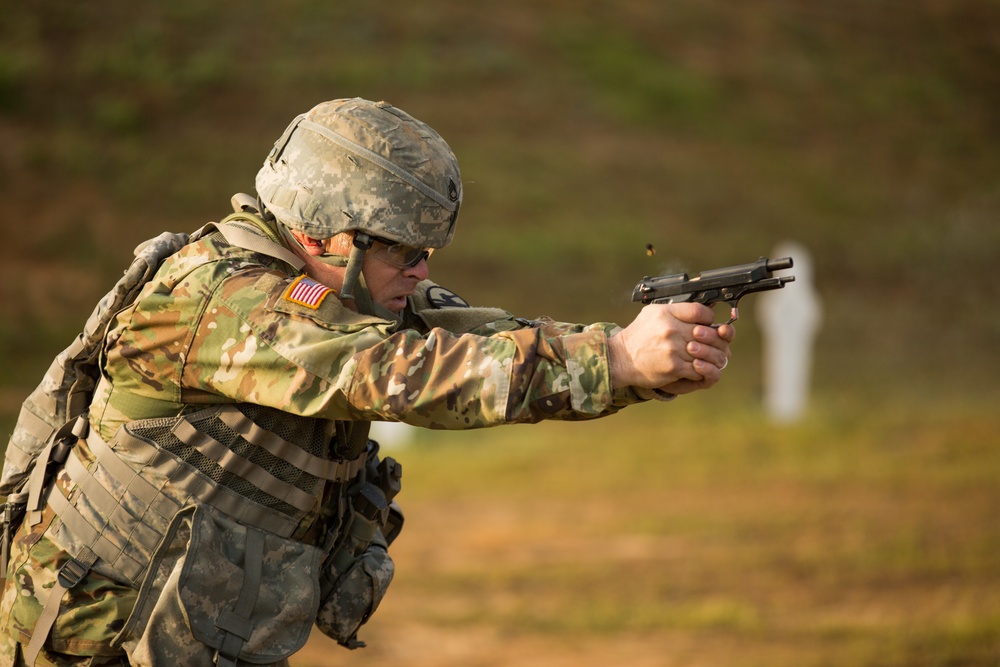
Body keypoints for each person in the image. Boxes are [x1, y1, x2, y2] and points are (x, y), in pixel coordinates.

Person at [0, 98, 733, 666]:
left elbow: (474, 333)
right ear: (320, 234)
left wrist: (633, 355)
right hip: (90, 644)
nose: (421, 270)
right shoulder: (224, 299)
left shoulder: (345, 292)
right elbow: (395, 370)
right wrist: (623, 359)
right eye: (402, 250)